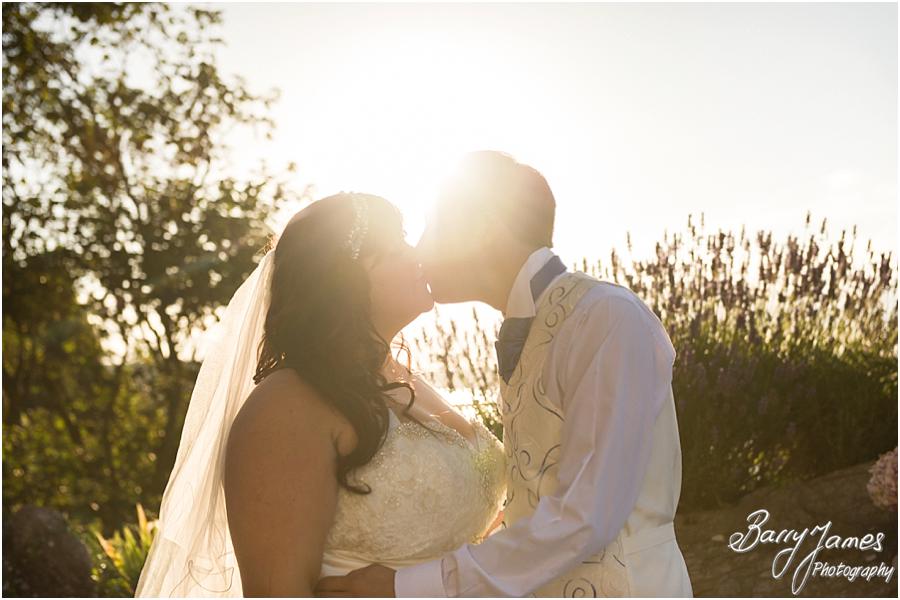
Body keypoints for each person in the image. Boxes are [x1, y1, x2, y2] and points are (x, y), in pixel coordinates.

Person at [315, 151, 694, 597]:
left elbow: (587, 513)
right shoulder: (533, 326)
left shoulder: (604, 317)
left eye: (431, 228)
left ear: (482, 228)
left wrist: (406, 587)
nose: (417, 248)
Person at [134, 192, 507, 597]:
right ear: (344, 276)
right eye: (397, 244)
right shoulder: (286, 407)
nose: (416, 253)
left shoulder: (409, 382)